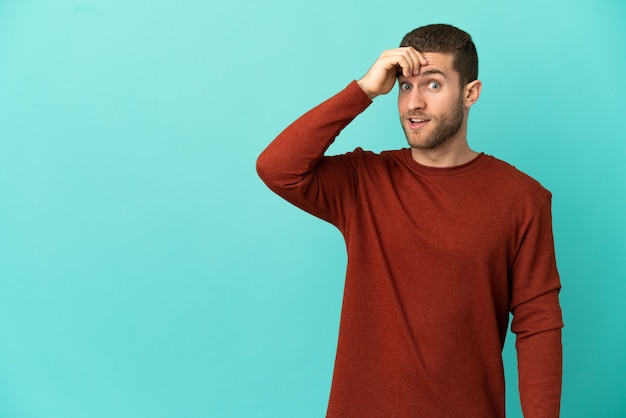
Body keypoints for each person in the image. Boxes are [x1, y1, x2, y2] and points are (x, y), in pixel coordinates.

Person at [256, 23, 563, 417]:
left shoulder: (522, 198)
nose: (414, 102)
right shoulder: (364, 181)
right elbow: (277, 168)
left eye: (432, 85)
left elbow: (538, 326)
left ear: (470, 93)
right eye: (405, 86)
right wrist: (363, 90)